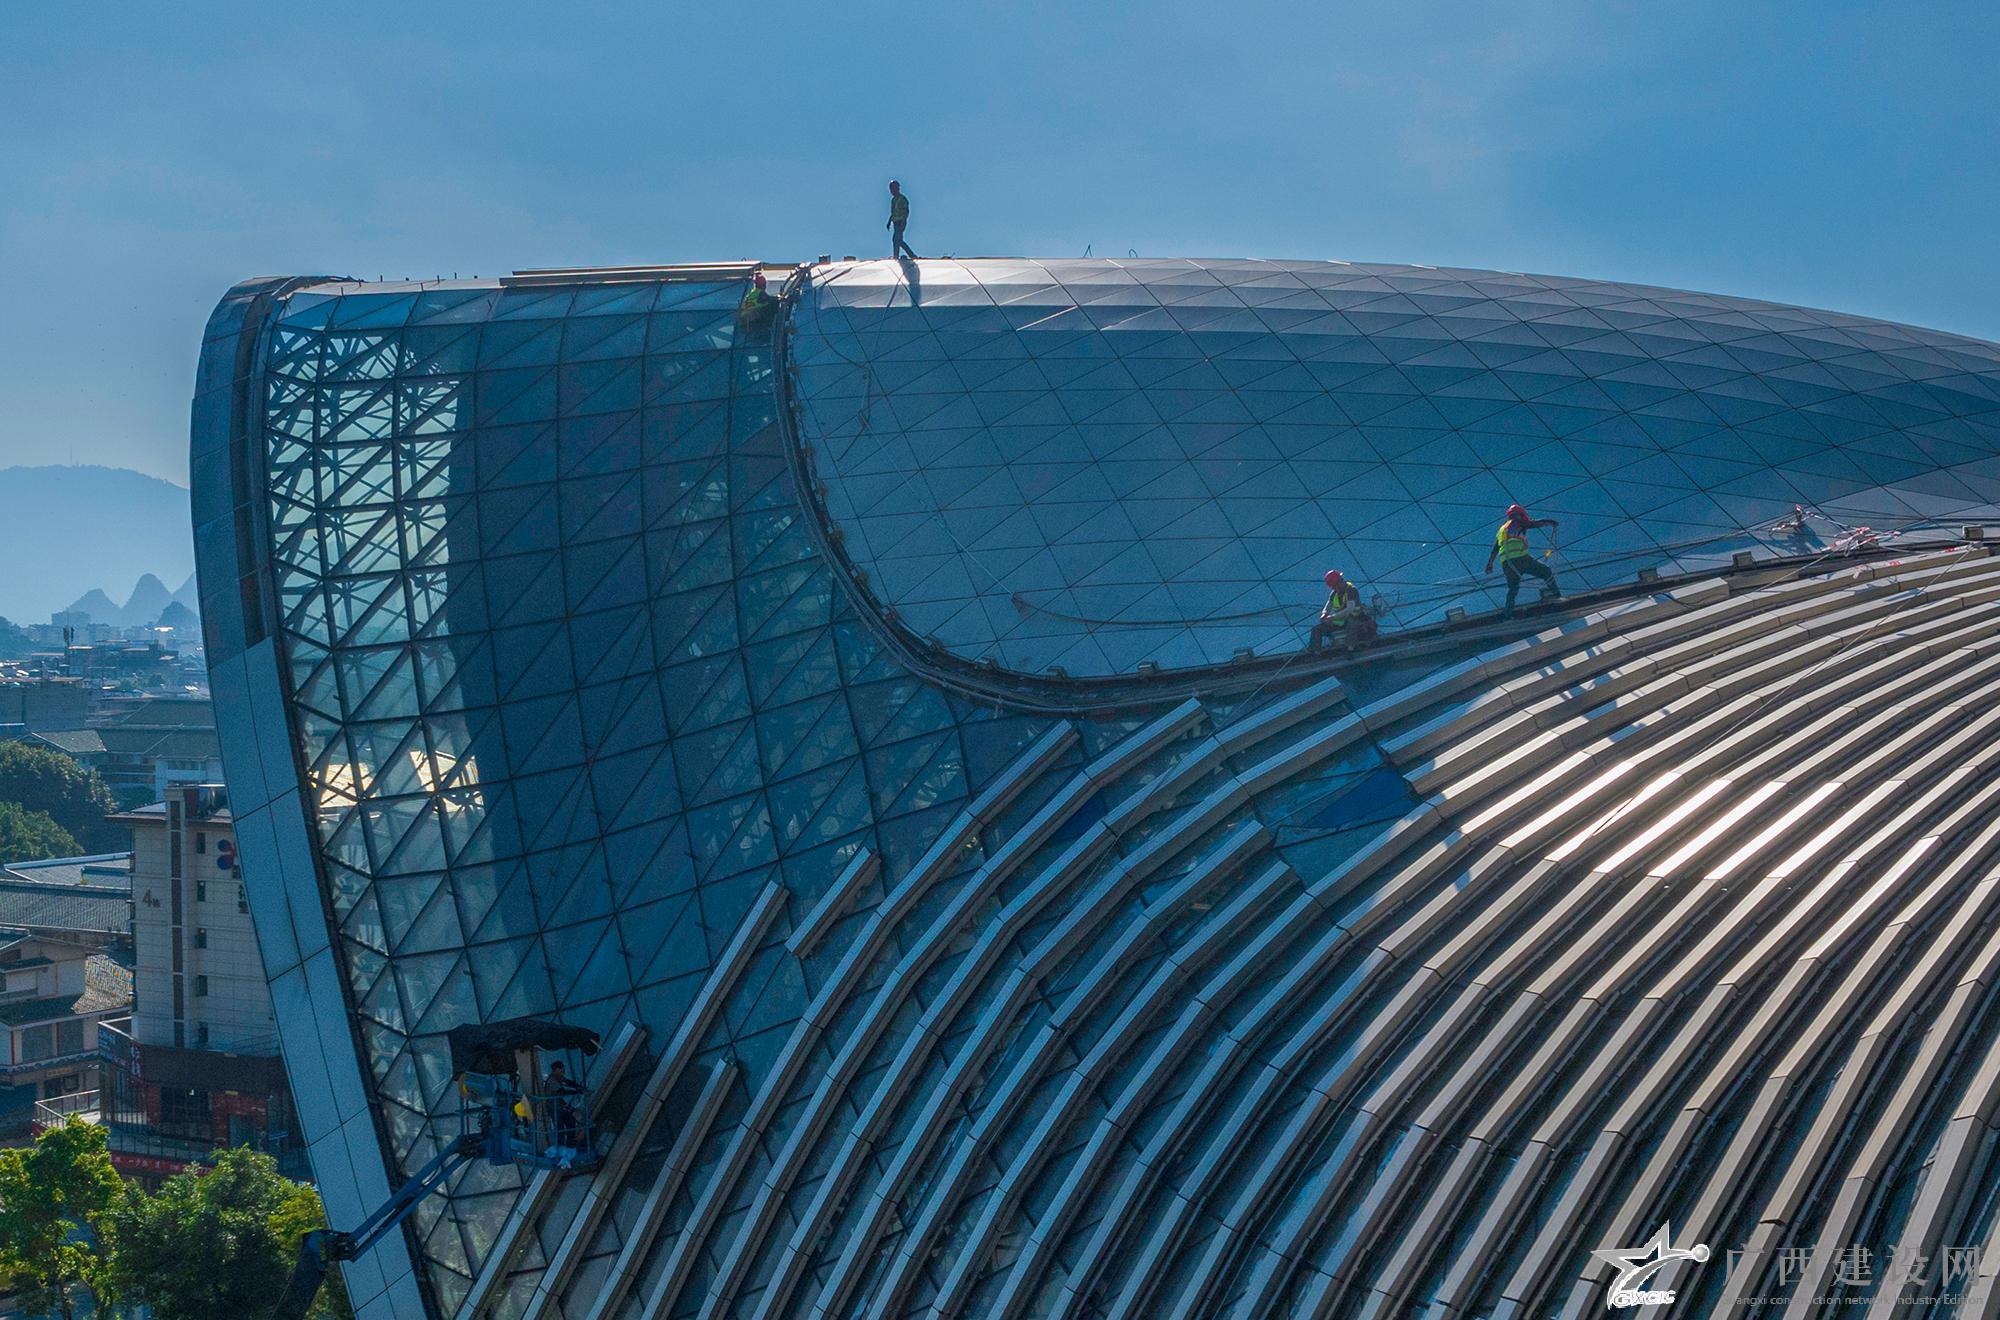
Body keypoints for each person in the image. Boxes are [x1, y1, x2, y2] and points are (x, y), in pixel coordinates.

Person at [1485, 503, 1562, 616]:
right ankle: (1557, 596)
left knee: (1513, 588)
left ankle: (1507, 614)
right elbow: (1533, 523)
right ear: (1519, 514)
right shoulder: (1517, 522)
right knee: (1546, 571)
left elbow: (1495, 548)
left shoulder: (1502, 529)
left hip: (1507, 563)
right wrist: (1550, 522)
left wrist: (1490, 563)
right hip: (1520, 558)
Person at [1309, 569, 1374, 650]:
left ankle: (1350, 649)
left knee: (1352, 625)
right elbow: (1328, 606)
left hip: (1356, 618)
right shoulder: (1334, 593)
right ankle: (1315, 651)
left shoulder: (1351, 590)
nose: (1342, 582)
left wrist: (1332, 617)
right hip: (1341, 621)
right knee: (1316, 629)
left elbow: (1349, 609)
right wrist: (1324, 614)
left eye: (1341, 580)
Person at [543, 1059, 585, 1151]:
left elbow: (568, 1082)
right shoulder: (552, 1081)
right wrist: (577, 1092)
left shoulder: (558, 1077)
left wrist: (579, 1087)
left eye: (563, 1070)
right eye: (561, 1070)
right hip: (554, 1108)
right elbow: (561, 1091)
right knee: (560, 1128)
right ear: (555, 1070)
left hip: (560, 1106)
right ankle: (560, 1148)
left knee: (570, 1121)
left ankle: (570, 1144)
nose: (563, 1072)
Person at [887, 179, 917, 260]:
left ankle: (910, 255)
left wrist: (904, 221)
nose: (891, 191)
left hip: (901, 221)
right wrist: (889, 221)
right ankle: (897, 256)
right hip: (895, 221)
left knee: (897, 239)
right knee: (897, 240)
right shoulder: (893, 200)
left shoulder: (902, 198)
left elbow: (906, 211)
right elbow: (893, 212)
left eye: (893, 189)